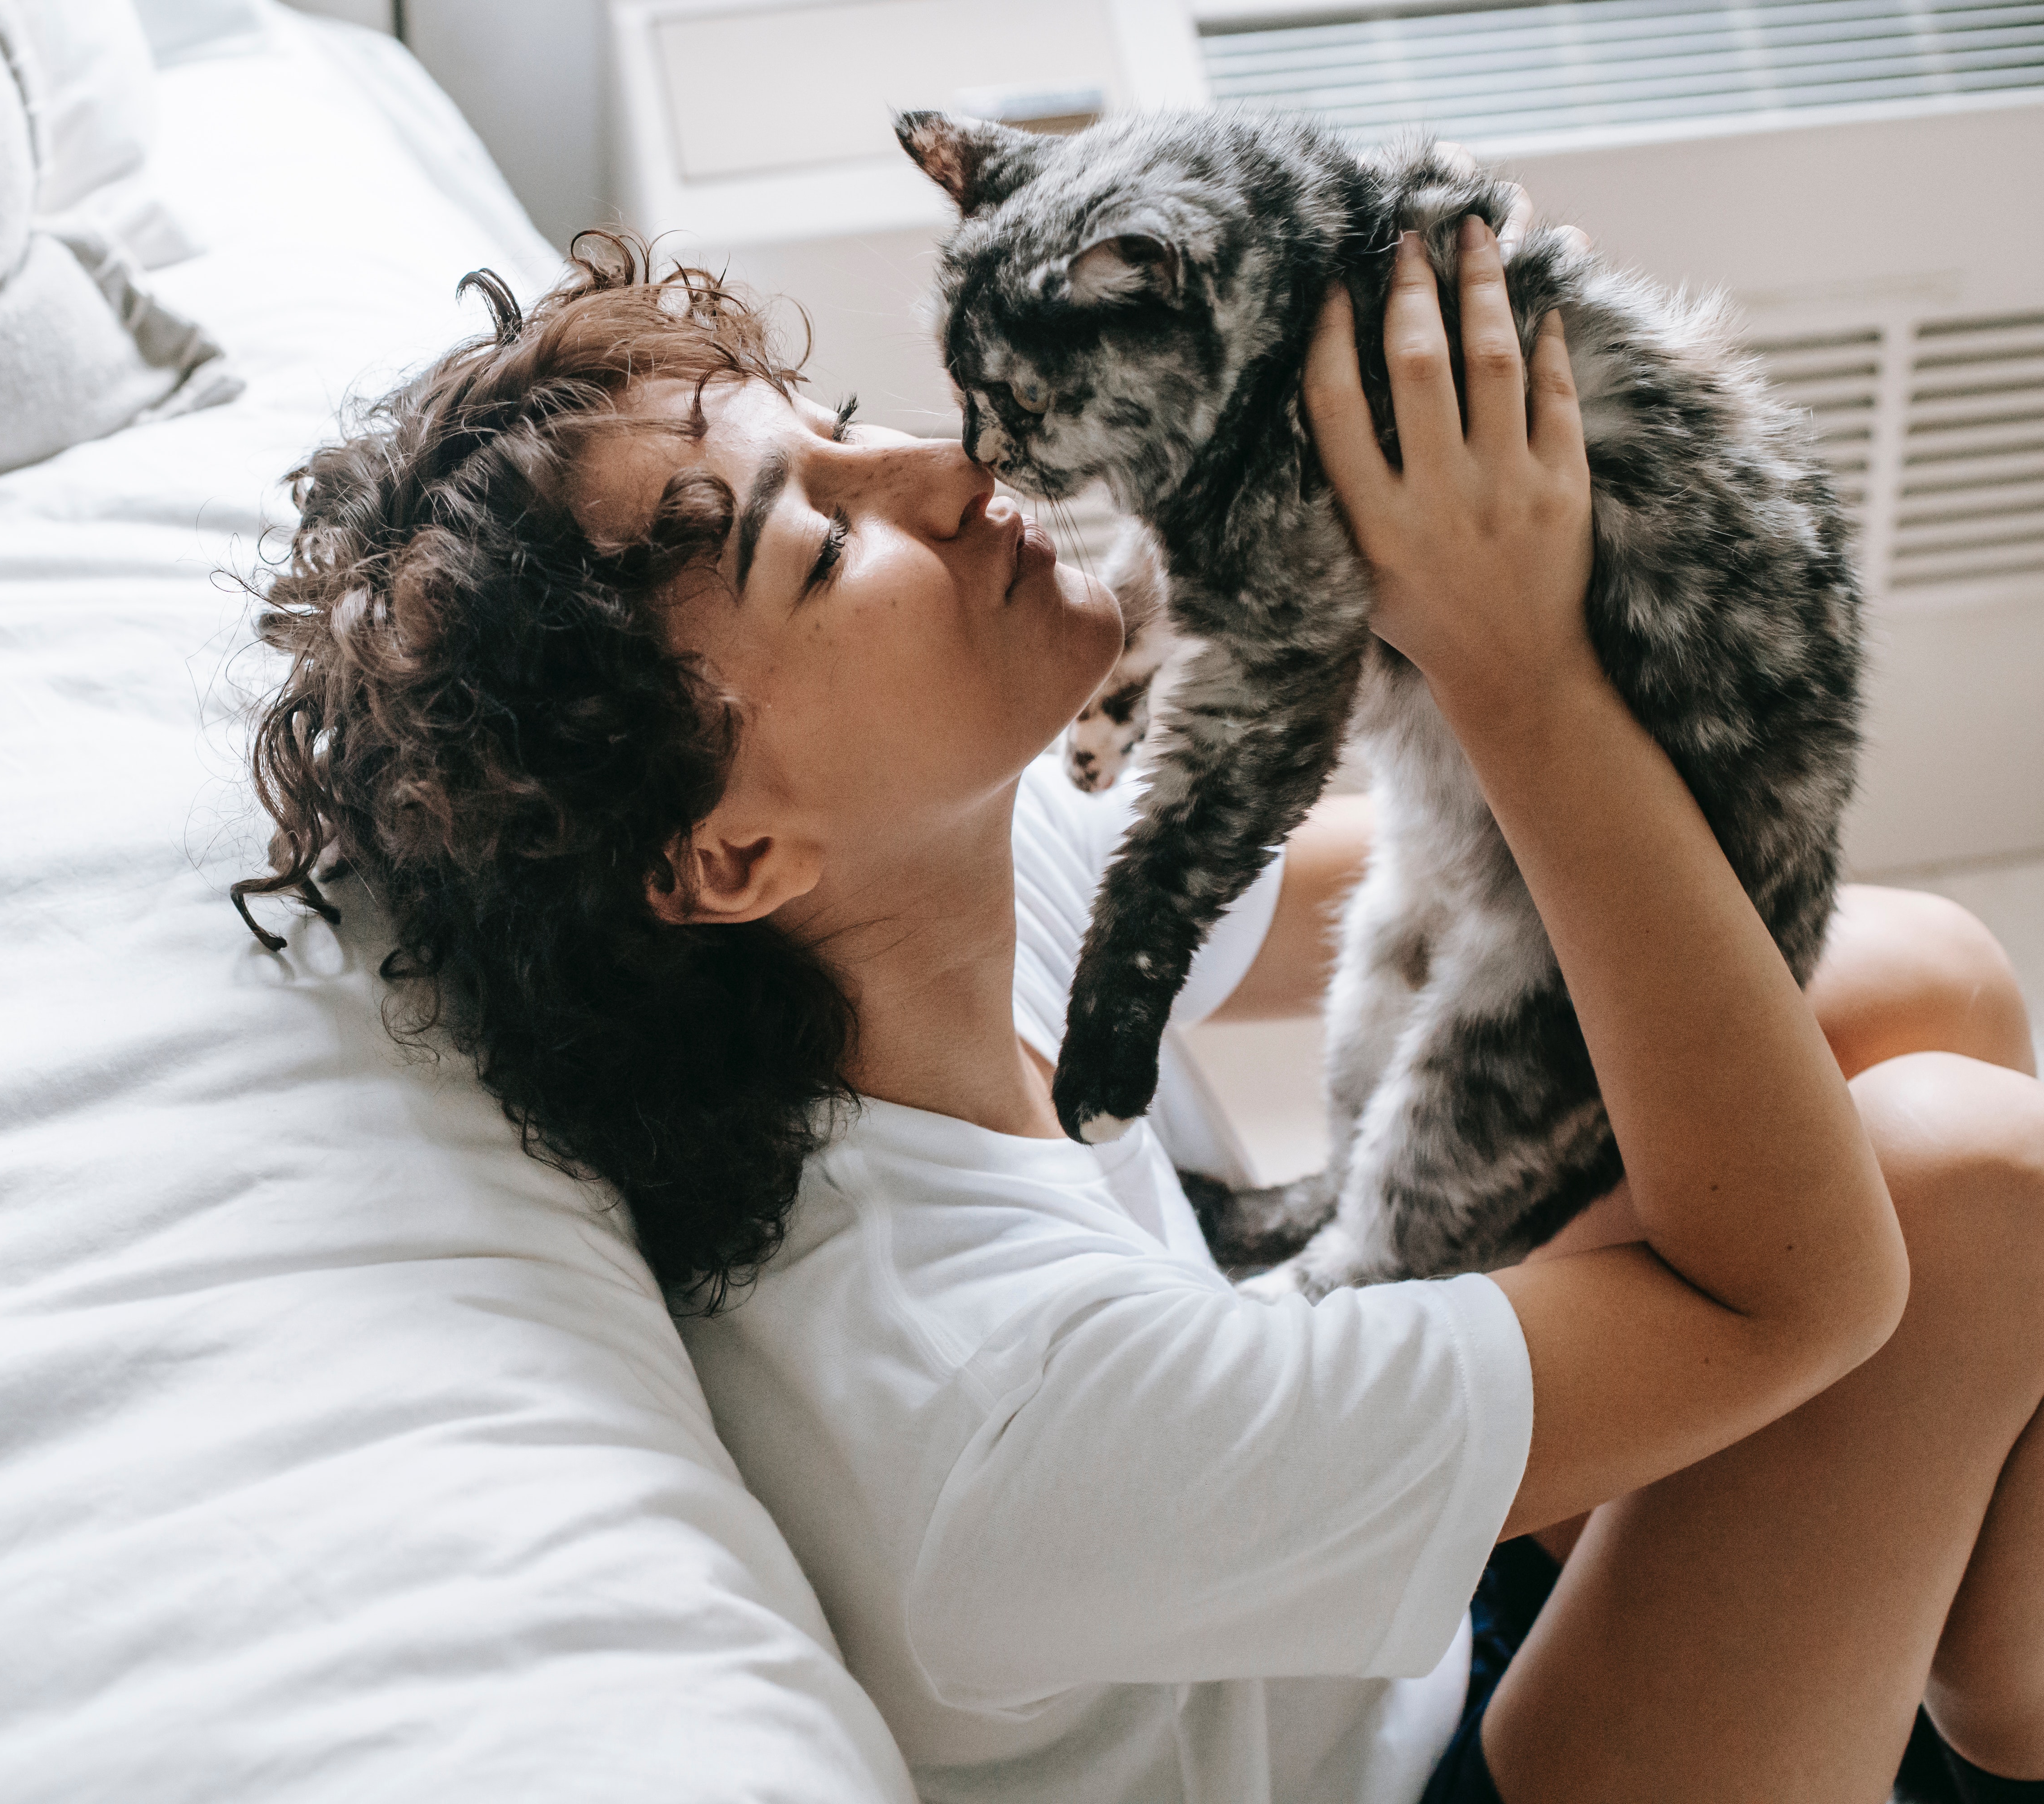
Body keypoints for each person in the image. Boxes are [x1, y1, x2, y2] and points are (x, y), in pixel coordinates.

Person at [234, 225, 2044, 1803]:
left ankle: (1991, 1710)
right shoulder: (998, 1410)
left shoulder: (902, 916)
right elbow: (1797, 1292)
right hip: (1385, 1769)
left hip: (1332, 1635)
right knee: (1964, 1193)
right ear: (729, 856)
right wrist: (1512, 662)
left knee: (1911, 972)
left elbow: (1449, 908)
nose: (949, 474)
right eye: (821, 544)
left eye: (847, 432)